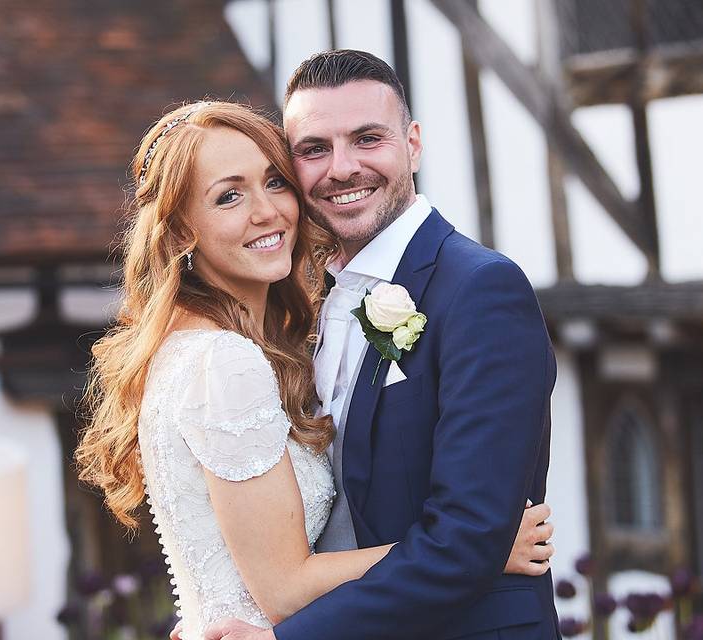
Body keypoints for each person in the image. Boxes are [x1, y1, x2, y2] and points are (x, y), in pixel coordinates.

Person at [74, 100, 552, 640]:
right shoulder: (222, 361)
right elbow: (284, 588)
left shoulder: (221, 342)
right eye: (228, 196)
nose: (267, 211)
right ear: (182, 231)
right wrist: (480, 552)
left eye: (275, 182)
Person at [206, 49, 561, 640]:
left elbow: (468, 536)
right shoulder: (300, 299)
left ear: (413, 143)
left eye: (368, 139)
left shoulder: (480, 289)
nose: (342, 169)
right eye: (314, 149)